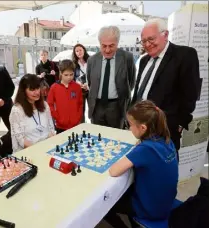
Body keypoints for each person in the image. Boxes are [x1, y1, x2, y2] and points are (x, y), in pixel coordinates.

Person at [131, 18, 200, 154]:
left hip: (166, 128)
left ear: (165, 35)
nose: (147, 44)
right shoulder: (144, 60)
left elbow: (190, 95)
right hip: (141, 127)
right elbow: (140, 91)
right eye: (144, 41)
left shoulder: (184, 55)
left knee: (165, 167)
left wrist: (179, 125)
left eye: (151, 39)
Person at [106, 100, 178, 228]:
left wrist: (137, 150)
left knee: (105, 204)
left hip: (151, 210)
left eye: (131, 125)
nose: (129, 128)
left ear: (143, 128)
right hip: (166, 203)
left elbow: (114, 171)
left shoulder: (146, 149)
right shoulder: (167, 140)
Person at [87, 25, 136, 129]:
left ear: (117, 43)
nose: (107, 50)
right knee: (97, 136)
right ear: (99, 44)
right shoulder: (92, 60)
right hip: (97, 106)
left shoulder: (127, 58)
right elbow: (91, 83)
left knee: (116, 138)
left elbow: (131, 82)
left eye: (111, 46)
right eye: (104, 46)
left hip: (117, 106)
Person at [9, 74, 55, 153]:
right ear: (23, 91)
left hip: (47, 148)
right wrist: (39, 150)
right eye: (32, 89)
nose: (37, 92)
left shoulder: (45, 105)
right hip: (29, 152)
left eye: (37, 88)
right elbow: (21, 140)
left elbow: (51, 129)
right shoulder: (17, 111)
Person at [47, 60, 83, 134]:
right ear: (61, 73)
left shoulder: (77, 87)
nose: (69, 77)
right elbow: (49, 104)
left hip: (75, 125)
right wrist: (57, 117)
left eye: (71, 74)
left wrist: (78, 118)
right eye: (66, 75)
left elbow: (80, 104)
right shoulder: (54, 87)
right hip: (60, 126)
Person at [72, 44, 90, 123]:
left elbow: (95, 75)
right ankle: (82, 126)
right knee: (81, 110)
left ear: (84, 50)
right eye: (77, 51)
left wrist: (88, 84)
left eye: (80, 50)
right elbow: (72, 77)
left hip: (90, 89)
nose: (79, 52)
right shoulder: (74, 63)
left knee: (93, 109)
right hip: (79, 90)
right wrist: (78, 83)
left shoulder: (90, 61)